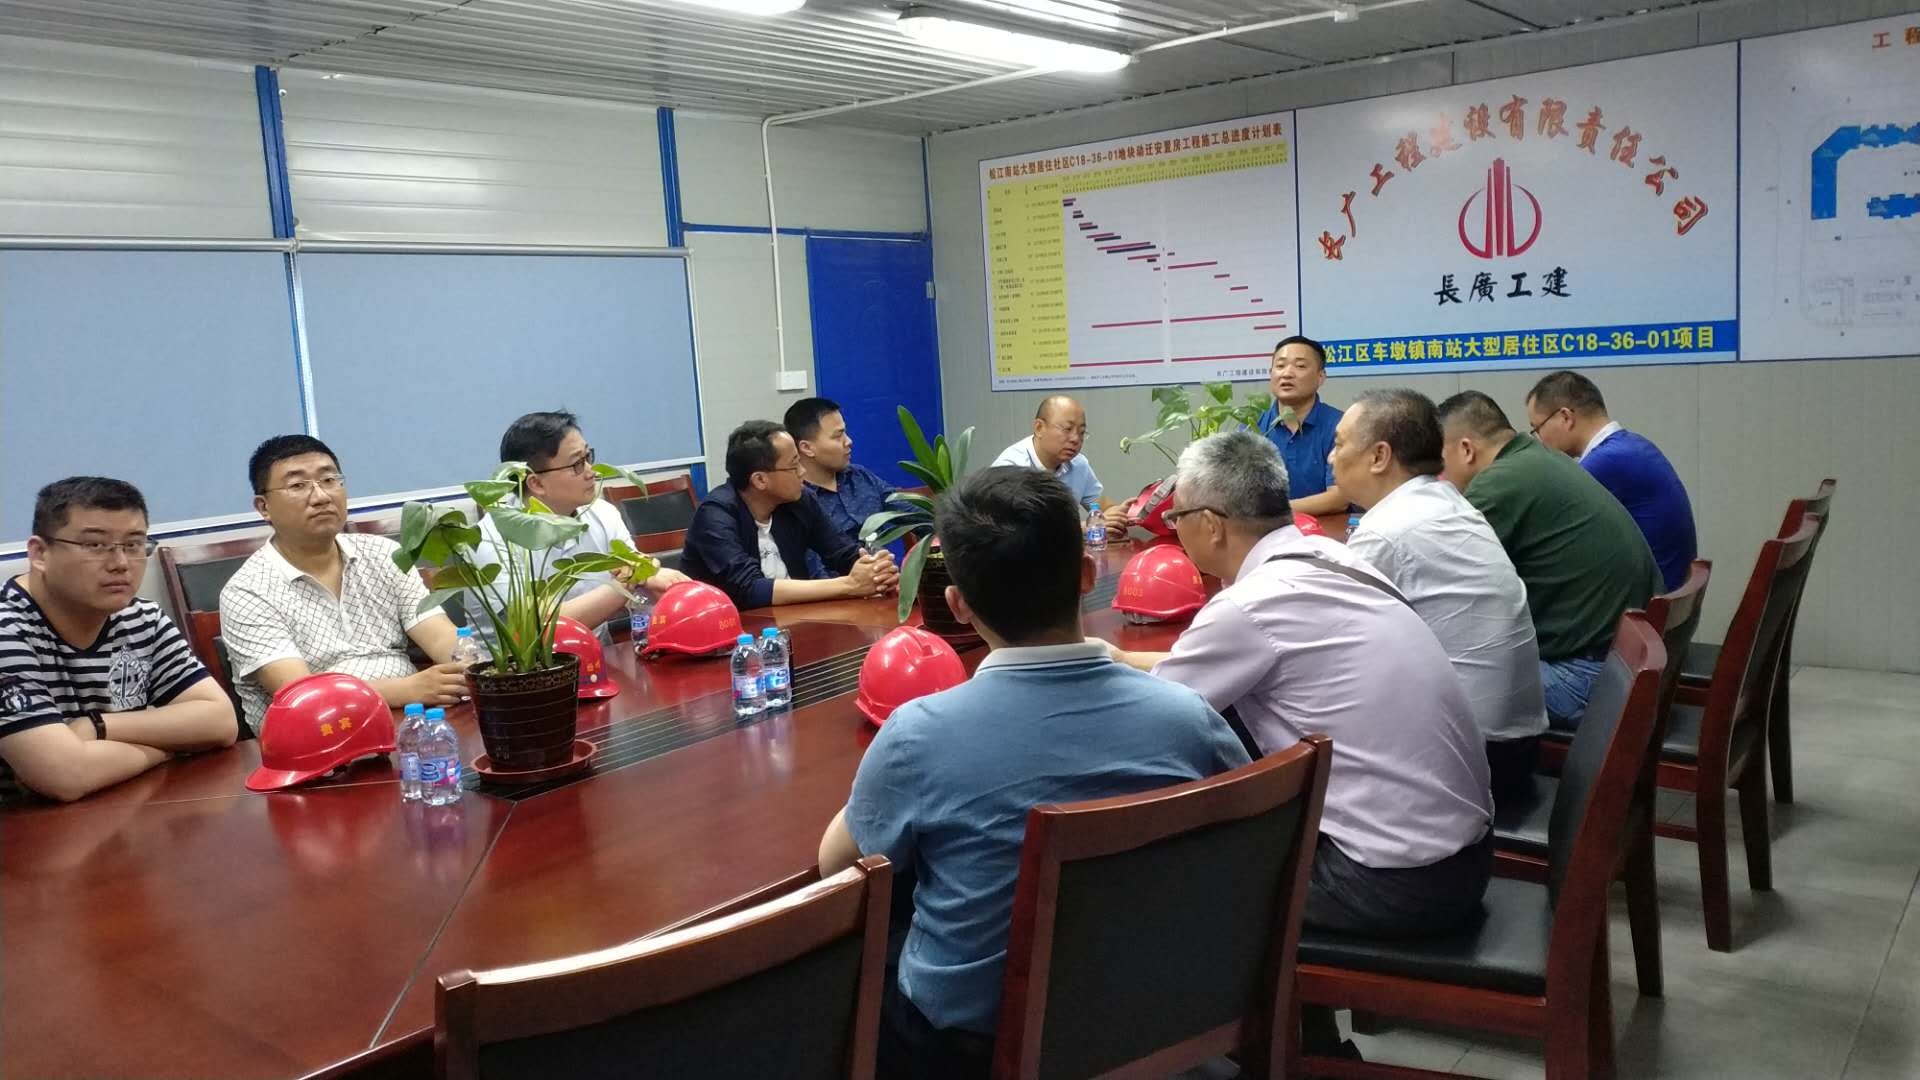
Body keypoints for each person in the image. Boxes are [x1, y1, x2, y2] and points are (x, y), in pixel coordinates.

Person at [818, 467, 1248, 1079]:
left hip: (977, 1046)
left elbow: (837, 868)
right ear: (1087, 576)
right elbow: (1245, 834)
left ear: (958, 605)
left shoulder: (918, 735)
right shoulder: (1187, 717)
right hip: (1158, 1017)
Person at [1108, 431, 1490, 1059]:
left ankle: (1261, 1056)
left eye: (1176, 519)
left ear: (1210, 524)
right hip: (1457, 856)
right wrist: (1126, 659)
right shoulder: (1332, 560)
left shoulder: (1249, 605)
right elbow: (1220, 666)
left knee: (1171, 875)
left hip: (1391, 883)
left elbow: (1154, 721)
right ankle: (1306, 1042)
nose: (1175, 531)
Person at [1328, 390, 1548, 799]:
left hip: (1473, 760)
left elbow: (1327, 642)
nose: (1331, 457)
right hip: (1513, 742)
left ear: (1379, 456)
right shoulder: (1444, 500)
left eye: (1339, 444)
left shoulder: (1388, 530)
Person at [0, 478, 238, 802]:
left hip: (125, 806)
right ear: (40, 553)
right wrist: (170, 749)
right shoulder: (8, 629)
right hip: (26, 825)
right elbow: (65, 775)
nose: (120, 564)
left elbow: (220, 721)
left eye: (134, 545)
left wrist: (98, 727)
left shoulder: (141, 617)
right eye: (95, 546)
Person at [1437, 391, 1661, 730]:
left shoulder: (1500, 483)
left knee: (1428, 686)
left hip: (1587, 679)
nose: (1439, 474)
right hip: (1621, 660)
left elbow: (1439, 569)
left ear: (1466, 449)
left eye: (1440, 461)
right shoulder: (1539, 459)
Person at [219, 436, 468, 735]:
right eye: (298, 485)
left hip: (412, 723)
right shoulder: (247, 591)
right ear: (264, 507)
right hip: (318, 739)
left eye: (329, 480)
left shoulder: (383, 555)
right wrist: (407, 689)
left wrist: (470, 667)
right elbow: (302, 695)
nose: (321, 496)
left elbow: (440, 636)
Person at [463, 410, 689, 641]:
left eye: (588, 457)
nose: (591, 472)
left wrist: (651, 578)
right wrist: (626, 584)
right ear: (536, 483)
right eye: (577, 464)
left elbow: (637, 571)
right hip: (520, 664)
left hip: (598, 654)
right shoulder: (490, 540)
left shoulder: (602, 513)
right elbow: (538, 628)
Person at [682, 420, 899, 609]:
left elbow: (841, 552)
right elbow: (750, 588)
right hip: (731, 629)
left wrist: (876, 571)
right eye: (794, 466)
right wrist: (848, 585)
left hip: (796, 619)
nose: (803, 472)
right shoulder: (715, 514)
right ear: (760, 480)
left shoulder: (800, 501)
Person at [1524, 370, 1699, 591]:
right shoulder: (1632, 445)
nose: (1538, 440)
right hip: (1665, 595)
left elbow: (1546, 533)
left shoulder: (1605, 462)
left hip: (1646, 601)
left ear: (1566, 417)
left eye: (1537, 429)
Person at [783, 397, 898, 577]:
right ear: (807, 448)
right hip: (836, 589)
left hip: (885, 579)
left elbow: (913, 513)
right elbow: (815, 574)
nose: (849, 441)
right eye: (838, 436)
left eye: (845, 433)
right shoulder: (796, 499)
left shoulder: (861, 477)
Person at [1256, 336, 1348, 516]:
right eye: (1280, 366)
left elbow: (1339, 498)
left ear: (1320, 377)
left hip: (1327, 528)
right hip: (1265, 530)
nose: (1287, 373)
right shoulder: (1253, 425)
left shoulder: (1341, 425)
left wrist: (1276, 512)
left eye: (1300, 366)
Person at [991, 396, 1105, 518]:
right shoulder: (1010, 468)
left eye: (1081, 432)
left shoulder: (1078, 464)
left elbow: (1103, 506)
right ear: (1039, 428)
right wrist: (1083, 527)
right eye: (1067, 429)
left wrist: (1113, 514)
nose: (1075, 439)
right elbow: (1006, 526)